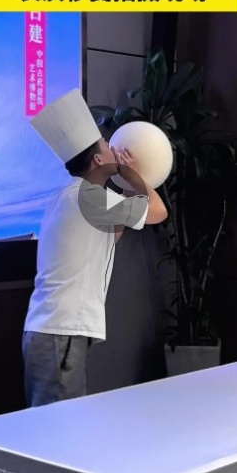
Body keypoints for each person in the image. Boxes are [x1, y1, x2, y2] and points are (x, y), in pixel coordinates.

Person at [22, 89, 167, 406]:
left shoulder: (71, 196)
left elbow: (112, 235)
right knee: (59, 424)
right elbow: (158, 211)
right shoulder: (90, 198)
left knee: (53, 419)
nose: (113, 147)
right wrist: (133, 175)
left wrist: (126, 184)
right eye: (105, 143)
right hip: (61, 331)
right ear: (98, 160)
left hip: (54, 330)